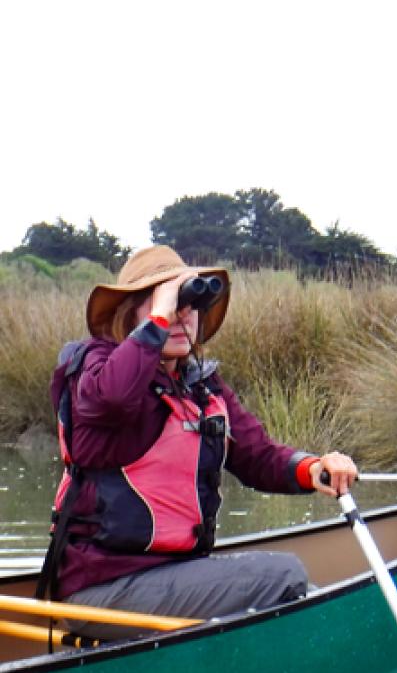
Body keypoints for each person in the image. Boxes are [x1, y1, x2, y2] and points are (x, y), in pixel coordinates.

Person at [41, 245, 357, 638]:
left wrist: (313, 468)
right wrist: (161, 313)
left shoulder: (200, 386)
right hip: (102, 588)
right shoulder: (93, 368)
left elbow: (257, 456)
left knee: (295, 589)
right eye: (169, 304)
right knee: (285, 573)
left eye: (190, 305)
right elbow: (115, 396)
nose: (181, 316)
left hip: (172, 577)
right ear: (133, 314)